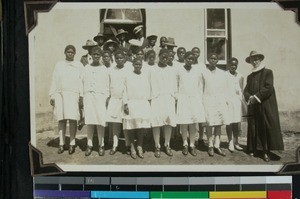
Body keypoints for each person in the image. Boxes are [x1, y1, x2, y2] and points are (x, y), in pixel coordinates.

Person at [244, 50, 284, 162]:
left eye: (256, 59)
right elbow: (246, 90)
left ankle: (266, 152)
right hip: (254, 106)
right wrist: (249, 97)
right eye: (252, 59)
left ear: (260, 60)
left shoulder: (268, 72)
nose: (255, 61)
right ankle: (255, 149)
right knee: (254, 126)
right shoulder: (250, 76)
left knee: (265, 127)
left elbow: (268, 87)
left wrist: (256, 97)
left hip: (265, 105)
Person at [49, 45, 83, 154]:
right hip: (60, 95)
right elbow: (54, 79)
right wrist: (52, 95)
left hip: (73, 94)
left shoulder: (79, 65)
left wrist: (81, 95)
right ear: (65, 52)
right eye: (68, 52)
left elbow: (81, 81)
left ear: (74, 54)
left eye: (72, 52)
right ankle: (61, 143)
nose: (70, 54)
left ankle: (72, 143)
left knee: (73, 119)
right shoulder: (59, 65)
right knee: (61, 119)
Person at [177, 51, 206, 156]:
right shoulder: (179, 70)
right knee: (184, 122)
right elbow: (176, 84)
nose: (190, 60)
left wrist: (199, 98)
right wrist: (177, 97)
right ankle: (185, 143)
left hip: (194, 99)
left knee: (193, 122)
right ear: (184, 59)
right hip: (183, 98)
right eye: (188, 58)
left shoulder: (197, 71)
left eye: (192, 59)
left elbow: (200, 86)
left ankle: (192, 144)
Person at [82, 46, 109, 156]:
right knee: (90, 121)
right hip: (89, 97)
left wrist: (106, 97)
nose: (96, 56)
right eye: (94, 54)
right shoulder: (86, 68)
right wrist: (83, 96)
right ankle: (89, 144)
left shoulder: (104, 69)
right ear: (91, 56)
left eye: (98, 54)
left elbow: (107, 86)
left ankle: (101, 145)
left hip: (100, 97)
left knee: (100, 121)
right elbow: (82, 83)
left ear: (100, 56)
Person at [150, 48, 177, 158]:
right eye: (163, 56)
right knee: (156, 123)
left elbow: (174, 86)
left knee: (168, 122)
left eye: (167, 56)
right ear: (159, 56)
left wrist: (174, 98)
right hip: (156, 98)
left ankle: (167, 144)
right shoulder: (152, 69)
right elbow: (149, 84)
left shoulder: (171, 70)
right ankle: (157, 145)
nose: (165, 58)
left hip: (168, 98)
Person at [123, 57, 151, 159]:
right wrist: (125, 103)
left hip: (142, 103)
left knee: (140, 127)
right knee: (130, 127)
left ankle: (139, 146)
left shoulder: (145, 76)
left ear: (142, 66)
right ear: (133, 65)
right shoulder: (128, 76)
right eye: (136, 64)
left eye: (140, 64)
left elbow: (148, 90)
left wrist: (147, 102)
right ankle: (132, 147)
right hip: (131, 103)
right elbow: (125, 90)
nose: (138, 66)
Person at [202, 53, 229, 157]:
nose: (213, 60)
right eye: (211, 58)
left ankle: (217, 145)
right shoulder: (203, 73)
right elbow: (201, 87)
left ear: (217, 61)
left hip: (219, 101)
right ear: (208, 60)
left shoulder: (222, 73)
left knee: (218, 123)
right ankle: (210, 145)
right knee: (209, 123)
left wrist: (225, 101)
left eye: (215, 58)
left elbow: (225, 88)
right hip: (208, 100)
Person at [106, 50, 131, 155]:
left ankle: (128, 145)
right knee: (115, 123)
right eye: (117, 58)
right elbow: (108, 84)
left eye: (121, 58)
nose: (119, 60)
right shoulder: (111, 70)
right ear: (115, 59)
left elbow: (128, 86)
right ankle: (115, 145)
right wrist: (108, 97)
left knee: (126, 123)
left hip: (125, 100)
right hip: (114, 99)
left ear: (124, 58)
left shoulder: (128, 70)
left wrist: (127, 102)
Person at [225, 57, 245, 152]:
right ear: (228, 65)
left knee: (236, 122)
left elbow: (241, 90)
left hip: (237, 102)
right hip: (228, 101)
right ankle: (230, 142)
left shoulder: (240, 76)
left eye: (235, 65)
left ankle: (236, 142)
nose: (233, 66)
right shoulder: (224, 75)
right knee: (229, 122)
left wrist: (241, 100)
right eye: (232, 65)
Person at [192, 47, 207, 147]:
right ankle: (193, 138)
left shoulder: (202, 65)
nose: (195, 54)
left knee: (201, 117)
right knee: (193, 116)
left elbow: (205, 79)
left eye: (197, 52)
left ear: (200, 54)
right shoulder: (189, 65)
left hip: (200, 93)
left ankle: (201, 138)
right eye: (194, 52)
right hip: (191, 94)